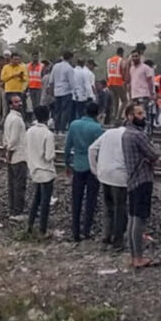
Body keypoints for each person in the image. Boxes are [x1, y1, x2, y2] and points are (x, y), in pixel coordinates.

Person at [122, 103, 161, 268]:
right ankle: (139, 257)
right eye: (139, 113)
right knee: (139, 218)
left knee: (132, 217)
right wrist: (153, 157)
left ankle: (133, 255)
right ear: (130, 116)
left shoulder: (126, 134)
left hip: (132, 180)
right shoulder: (138, 135)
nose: (143, 116)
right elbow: (154, 154)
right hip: (142, 179)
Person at [65, 101, 105, 242]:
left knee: (76, 199)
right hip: (92, 168)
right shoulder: (97, 128)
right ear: (97, 114)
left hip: (77, 165)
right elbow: (99, 150)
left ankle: (75, 230)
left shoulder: (74, 125)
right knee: (91, 200)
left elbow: (68, 146)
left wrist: (67, 163)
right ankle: (86, 230)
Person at [89, 120, 129, 251]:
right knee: (120, 208)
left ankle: (106, 237)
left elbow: (92, 149)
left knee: (108, 207)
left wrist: (95, 170)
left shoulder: (108, 133)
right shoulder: (127, 135)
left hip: (104, 174)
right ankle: (118, 241)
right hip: (119, 176)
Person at [25, 105, 57, 236]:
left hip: (34, 169)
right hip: (46, 171)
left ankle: (30, 225)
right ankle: (42, 229)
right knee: (45, 202)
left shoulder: (29, 131)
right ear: (48, 116)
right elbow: (49, 156)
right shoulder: (48, 134)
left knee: (36, 199)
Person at [4, 94, 28, 219]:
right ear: (10, 105)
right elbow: (13, 140)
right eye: (16, 102)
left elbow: (6, 138)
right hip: (18, 156)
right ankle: (17, 212)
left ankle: (13, 209)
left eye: (19, 101)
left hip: (13, 157)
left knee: (12, 184)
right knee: (19, 184)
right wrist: (9, 152)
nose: (20, 103)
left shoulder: (9, 118)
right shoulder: (16, 120)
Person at [126, 50, 156, 135]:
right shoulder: (131, 69)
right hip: (134, 95)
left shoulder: (145, 68)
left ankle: (147, 132)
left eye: (136, 56)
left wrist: (151, 93)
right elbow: (129, 82)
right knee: (135, 114)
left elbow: (150, 81)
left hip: (143, 94)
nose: (135, 58)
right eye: (133, 56)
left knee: (143, 114)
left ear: (140, 57)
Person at [51, 52, 75, 133]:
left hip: (57, 91)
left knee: (57, 111)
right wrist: (74, 91)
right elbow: (72, 82)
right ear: (70, 58)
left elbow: (51, 80)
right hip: (66, 91)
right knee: (65, 111)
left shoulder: (55, 66)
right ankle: (62, 128)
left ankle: (56, 128)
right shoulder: (69, 68)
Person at [106, 47, 126, 122]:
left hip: (110, 82)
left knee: (115, 100)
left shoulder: (109, 60)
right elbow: (123, 69)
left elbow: (107, 72)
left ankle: (114, 116)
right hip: (118, 81)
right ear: (122, 53)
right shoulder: (121, 60)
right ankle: (118, 116)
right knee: (124, 100)